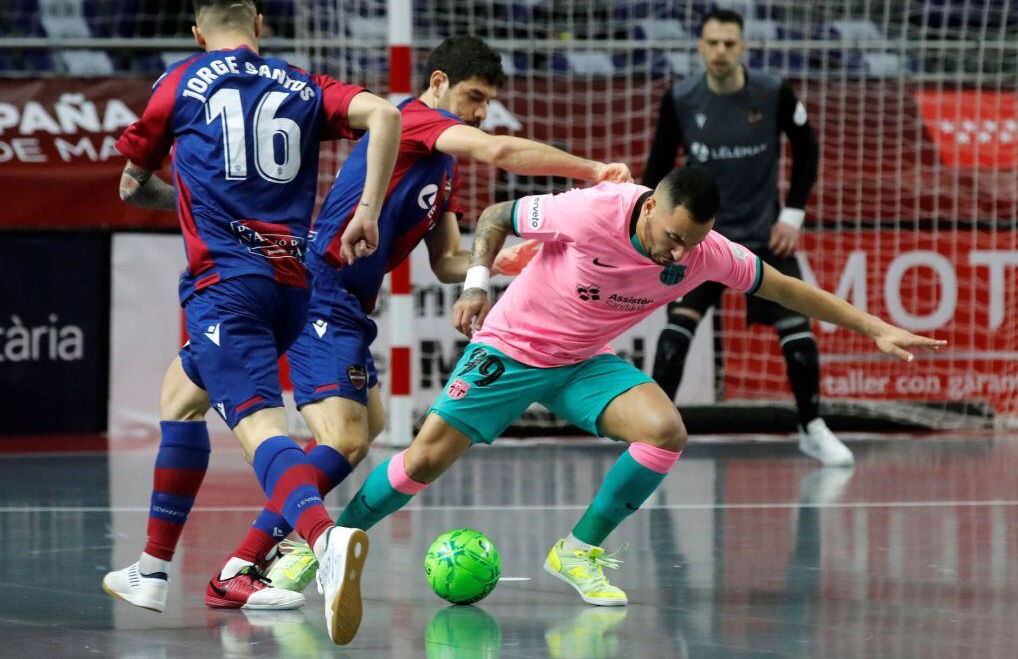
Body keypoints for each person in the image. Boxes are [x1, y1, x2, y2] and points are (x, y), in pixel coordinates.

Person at [319, 167, 944, 607]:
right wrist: (477, 283)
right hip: (512, 347)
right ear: (648, 207)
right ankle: (331, 543)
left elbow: (784, 287)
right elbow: (494, 216)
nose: (679, 252)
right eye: (672, 236)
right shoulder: (592, 210)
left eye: (692, 242)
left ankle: (577, 551)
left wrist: (875, 327)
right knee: (425, 458)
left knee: (665, 430)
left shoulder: (703, 253)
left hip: (586, 361)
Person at [206, 35, 632, 598]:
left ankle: (276, 544)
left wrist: (502, 261)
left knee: (370, 427)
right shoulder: (413, 121)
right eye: (473, 97)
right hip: (321, 293)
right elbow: (500, 152)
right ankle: (245, 563)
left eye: (486, 103)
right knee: (347, 440)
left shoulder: (442, 166)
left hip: (353, 309)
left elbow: (447, 261)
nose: (480, 113)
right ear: (436, 84)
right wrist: (594, 170)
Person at [101, 0, 402, 646]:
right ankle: (151, 569)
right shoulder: (302, 84)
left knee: (259, 429)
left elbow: (132, 186)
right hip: (292, 286)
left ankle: (324, 541)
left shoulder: (177, 84)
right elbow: (385, 114)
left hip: (226, 288)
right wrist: (367, 212)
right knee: (180, 395)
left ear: (197, 28)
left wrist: (186, 203)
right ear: (258, 24)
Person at [642, 8, 850, 466]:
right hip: (700, 245)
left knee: (799, 333)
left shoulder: (773, 93)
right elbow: (657, 167)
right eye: (712, 42)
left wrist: (792, 216)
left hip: (761, 239)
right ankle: (651, 438)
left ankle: (812, 427)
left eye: (729, 43)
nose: (720, 51)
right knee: (675, 336)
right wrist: (649, 227)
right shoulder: (681, 98)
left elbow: (809, 149)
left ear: (743, 47)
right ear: (699, 45)